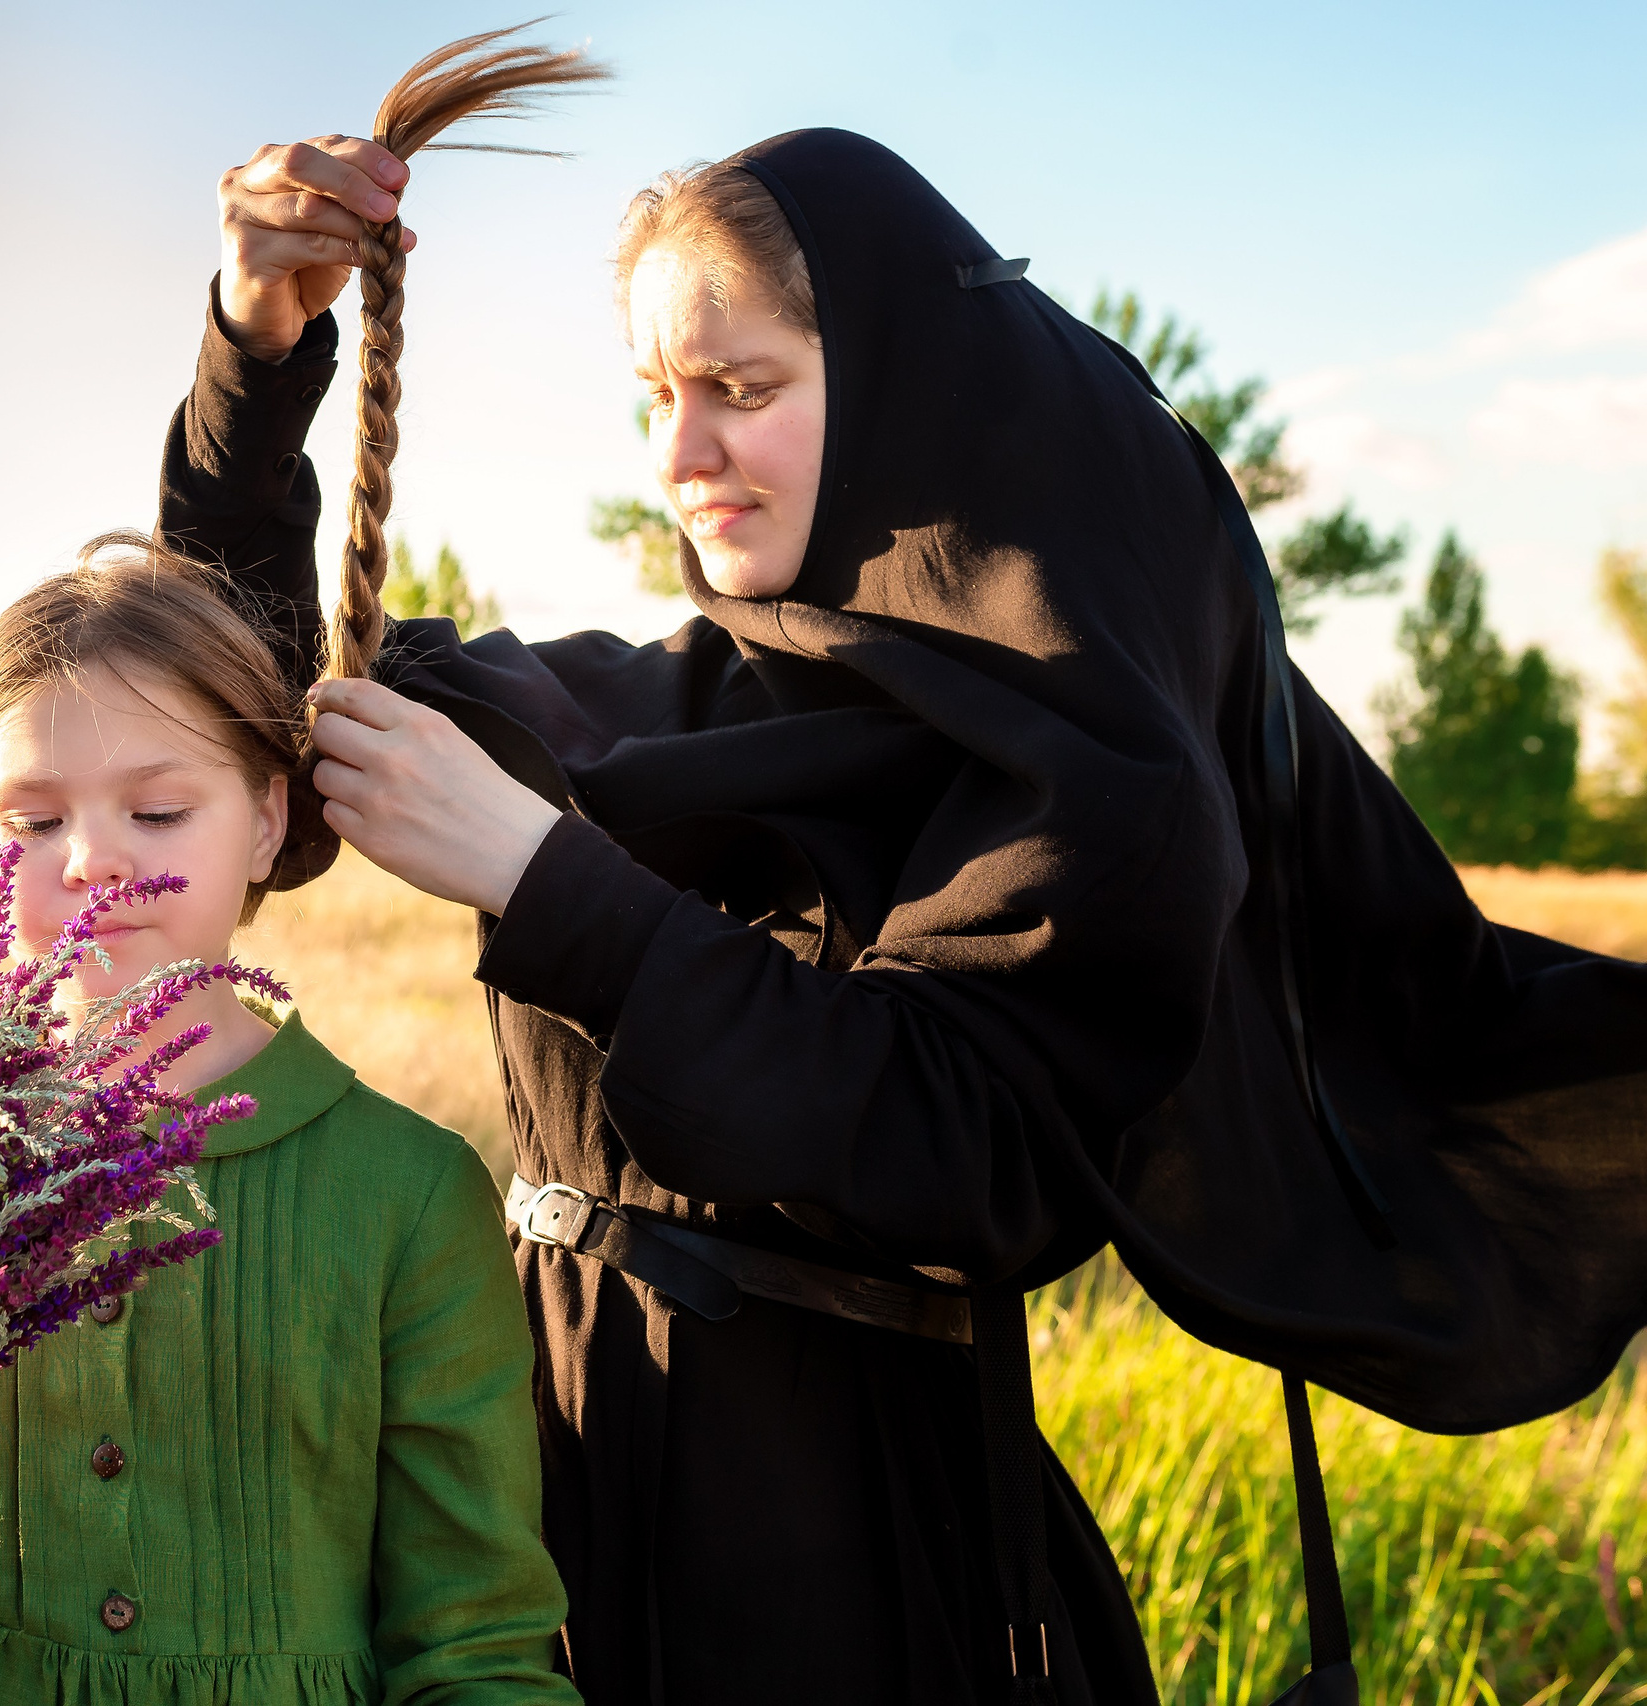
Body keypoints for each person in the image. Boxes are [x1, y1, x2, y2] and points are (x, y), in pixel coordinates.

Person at [161, 113, 1647, 1705]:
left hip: (855, 1576)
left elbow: (951, 1137)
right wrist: (257, 351)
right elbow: (227, 729)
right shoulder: (628, 710)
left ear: (905, 396)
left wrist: (546, 882)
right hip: (529, 1526)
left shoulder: (1089, 779)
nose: (682, 455)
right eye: (659, 396)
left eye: (743, 388)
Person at [0, 536, 584, 1706]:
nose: (96, 859)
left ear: (267, 819)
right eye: (33, 820)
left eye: (159, 809)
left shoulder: (410, 1193)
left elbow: (475, 1642)